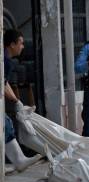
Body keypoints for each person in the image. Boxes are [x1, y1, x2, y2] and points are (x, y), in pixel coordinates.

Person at [4, 29, 42, 172]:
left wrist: (16, 101)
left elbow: (4, 82)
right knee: (5, 124)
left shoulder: (6, 60)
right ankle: (19, 160)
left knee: (6, 124)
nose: (23, 46)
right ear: (12, 44)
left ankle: (19, 160)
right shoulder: (5, 61)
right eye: (20, 43)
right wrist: (16, 101)